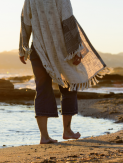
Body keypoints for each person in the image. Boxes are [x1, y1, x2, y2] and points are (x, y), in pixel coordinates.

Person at [18, 0, 109, 144]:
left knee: (42, 89)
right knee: (70, 84)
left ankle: (44, 137)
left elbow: (26, 21)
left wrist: (23, 48)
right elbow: (68, 21)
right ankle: (67, 131)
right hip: (61, 50)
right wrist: (76, 50)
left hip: (38, 49)